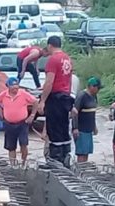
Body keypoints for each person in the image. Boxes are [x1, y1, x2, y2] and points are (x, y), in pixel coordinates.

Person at [37, 36, 73, 167]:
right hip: (65, 97)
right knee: (63, 129)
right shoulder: (67, 58)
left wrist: (42, 101)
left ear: (50, 46)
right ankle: (65, 157)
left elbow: (49, 81)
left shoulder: (53, 60)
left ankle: (55, 160)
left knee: (54, 129)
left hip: (55, 98)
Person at [0, 77, 38, 168]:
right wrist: (0, 112)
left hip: (22, 123)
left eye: (16, 86)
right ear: (8, 87)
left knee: (23, 144)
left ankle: (24, 163)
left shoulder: (23, 93)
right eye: (13, 86)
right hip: (9, 124)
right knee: (11, 146)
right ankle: (13, 165)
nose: (15, 88)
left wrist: (32, 115)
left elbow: (35, 101)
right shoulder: (4, 94)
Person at [71, 77, 102, 163]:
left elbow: (93, 113)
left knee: (87, 152)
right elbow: (74, 113)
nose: (98, 90)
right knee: (81, 153)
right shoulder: (82, 96)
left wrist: (94, 127)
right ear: (92, 86)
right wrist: (75, 128)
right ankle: (79, 170)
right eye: (97, 88)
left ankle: (84, 170)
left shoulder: (94, 96)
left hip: (89, 129)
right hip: (81, 129)